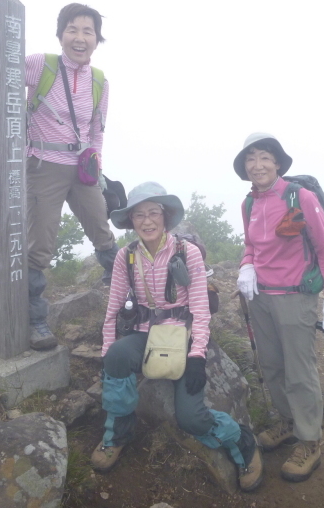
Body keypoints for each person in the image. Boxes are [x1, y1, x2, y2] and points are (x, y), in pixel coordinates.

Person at [0, 4, 119, 351]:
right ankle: (35, 322)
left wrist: (97, 164)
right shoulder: (41, 64)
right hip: (42, 165)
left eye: (88, 31)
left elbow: (97, 130)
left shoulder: (99, 81)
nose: (80, 37)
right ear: (61, 33)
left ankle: (129, 295)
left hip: (82, 168)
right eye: (72, 29)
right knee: (39, 247)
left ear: (97, 39)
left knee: (103, 231)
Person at [94, 181, 263, 492]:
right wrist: (107, 351)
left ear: (165, 215)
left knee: (191, 419)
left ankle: (242, 440)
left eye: (153, 213)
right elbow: (114, 307)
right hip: (145, 336)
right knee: (117, 356)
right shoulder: (126, 257)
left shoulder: (188, 253)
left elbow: (199, 308)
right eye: (139, 215)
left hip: (183, 339)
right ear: (131, 221)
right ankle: (117, 433)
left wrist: (197, 356)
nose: (146, 221)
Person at [233, 132, 324, 483]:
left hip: (296, 297)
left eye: (264, 157)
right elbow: (251, 245)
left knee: (299, 371)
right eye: (251, 158)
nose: (257, 164)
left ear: (277, 163)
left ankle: (310, 441)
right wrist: (246, 264)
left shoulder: (299, 196)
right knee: (272, 366)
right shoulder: (248, 203)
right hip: (261, 299)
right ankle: (288, 422)